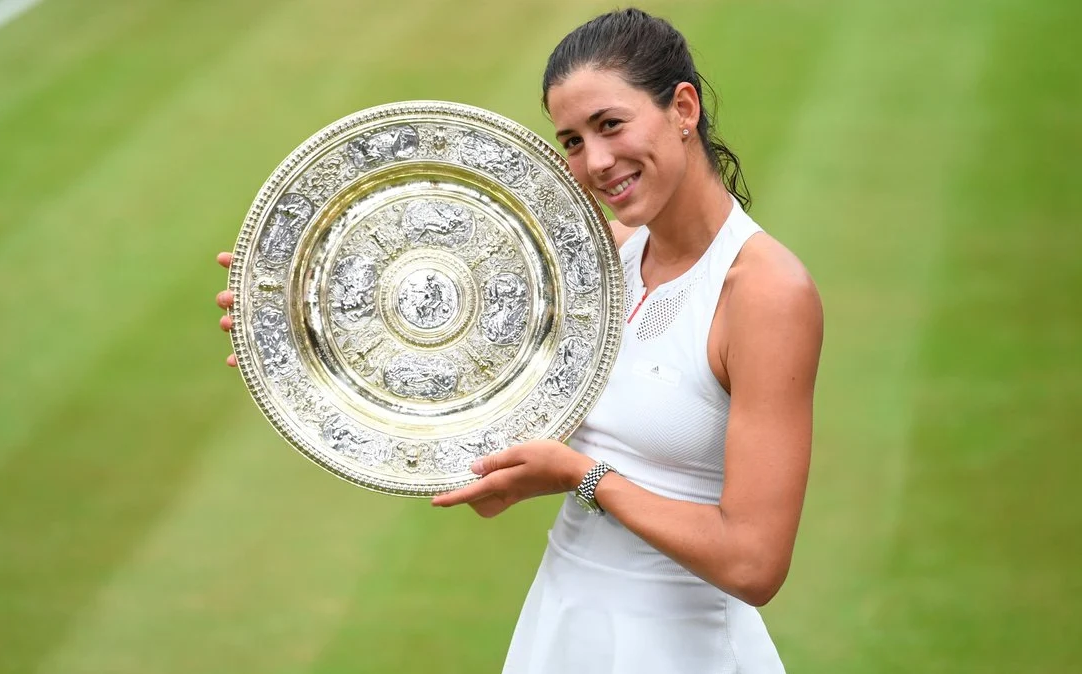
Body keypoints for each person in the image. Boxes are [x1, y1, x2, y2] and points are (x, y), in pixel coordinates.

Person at [216, 8, 823, 671]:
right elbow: (456, 329)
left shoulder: (766, 294)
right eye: (570, 140)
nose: (593, 162)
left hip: (685, 648)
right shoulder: (600, 258)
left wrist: (581, 477)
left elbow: (753, 562)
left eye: (610, 125)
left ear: (683, 107)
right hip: (561, 626)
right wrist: (293, 319)